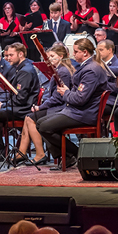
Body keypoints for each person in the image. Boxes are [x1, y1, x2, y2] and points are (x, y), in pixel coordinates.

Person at [38, 38, 109, 170]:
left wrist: (65, 93)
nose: (73, 55)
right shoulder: (89, 66)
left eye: (76, 52)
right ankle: (66, 156)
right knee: (40, 122)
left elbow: (80, 99)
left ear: (85, 53)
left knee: (44, 127)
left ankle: (77, 153)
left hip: (84, 113)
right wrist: (68, 92)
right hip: (77, 110)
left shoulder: (91, 70)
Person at [0, 43, 40, 163]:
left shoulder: (26, 71)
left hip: (23, 109)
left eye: (11, 55)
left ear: (21, 54)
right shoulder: (20, 68)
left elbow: (21, 98)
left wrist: (4, 104)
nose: (7, 58)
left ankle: (0, 150)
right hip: (19, 106)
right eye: (7, 55)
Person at [15, 45, 74, 165]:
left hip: (62, 107)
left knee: (31, 118)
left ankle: (40, 154)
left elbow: (58, 98)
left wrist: (40, 107)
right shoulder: (59, 69)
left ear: (61, 56)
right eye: (48, 57)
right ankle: (21, 153)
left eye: (52, 56)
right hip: (58, 105)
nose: (49, 59)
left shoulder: (62, 71)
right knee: (29, 117)